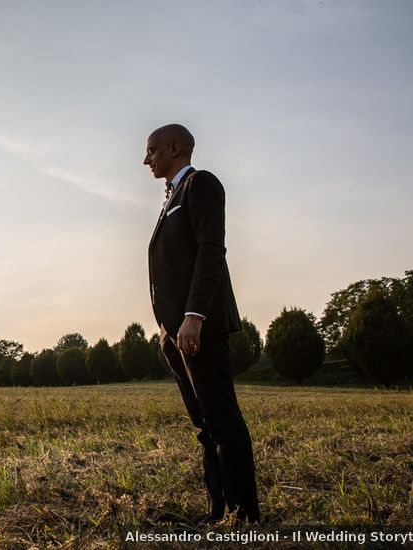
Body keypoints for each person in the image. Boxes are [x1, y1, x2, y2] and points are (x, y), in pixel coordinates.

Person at [144, 124, 260, 523]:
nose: (147, 159)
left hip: (199, 328)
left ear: (175, 148)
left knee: (223, 421)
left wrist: (194, 316)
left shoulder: (200, 185)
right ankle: (217, 511)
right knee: (204, 426)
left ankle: (246, 516)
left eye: (153, 150)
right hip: (175, 332)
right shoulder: (171, 197)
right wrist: (167, 329)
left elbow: (212, 251)